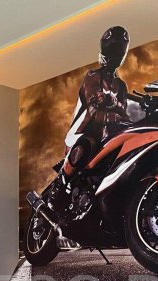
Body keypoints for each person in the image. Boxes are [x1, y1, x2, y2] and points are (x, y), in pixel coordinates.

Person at [48, 25, 131, 211]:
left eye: (119, 50)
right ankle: (60, 185)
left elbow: (124, 113)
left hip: (107, 136)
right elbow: (94, 111)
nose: (115, 55)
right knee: (86, 144)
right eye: (112, 50)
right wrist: (115, 112)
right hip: (83, 131)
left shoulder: (121, 86)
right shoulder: (93, 76)